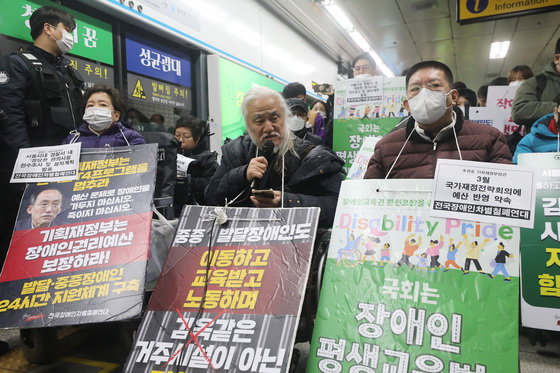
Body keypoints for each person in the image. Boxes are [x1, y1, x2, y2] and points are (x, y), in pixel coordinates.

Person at [0, 6, 83, 266]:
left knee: (57, 241)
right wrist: (26, 170)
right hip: (29, 173)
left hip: (66, 169)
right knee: (20, 242)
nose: (71, 37)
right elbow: (9, 119)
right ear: (48, 28)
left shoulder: (68, 70)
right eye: (67, 30)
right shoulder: (17, 64)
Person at [204, 86, 345, 228]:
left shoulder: (312, 156)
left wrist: (287, 201)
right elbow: (210, 198)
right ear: (248, 124)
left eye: (274, 118)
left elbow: (338, 207)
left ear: (285, 118)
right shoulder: (236, 152)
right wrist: (242, 175)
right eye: (259, 121)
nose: (268, 127)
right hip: (242, 245)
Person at [364, 60, 512, 179]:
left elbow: (506, 193)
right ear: (407, 105)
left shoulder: (490, 139)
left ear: (453, 97)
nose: (424, 93)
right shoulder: (386, 147)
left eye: (434, 85)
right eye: (415, 89)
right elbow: (368, 200)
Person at [63, 85, 145, 147]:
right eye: (90, 105)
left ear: (116, 115)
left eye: (103, 104)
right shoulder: (71, 140)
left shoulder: (130, 138)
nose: (95, 109)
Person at [173, 115, 218, 215]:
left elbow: (212, 185)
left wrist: (188, 181)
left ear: (197, 139)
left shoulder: (208, 159)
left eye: (186, 136)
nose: (180, 140)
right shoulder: (170, 155)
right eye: (177, 135)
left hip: (198, 210)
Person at [512, 38, 560, 129]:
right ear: (557, 59)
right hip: (545, 141)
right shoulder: (535, 83)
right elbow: (519, 111)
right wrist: (556, 108)